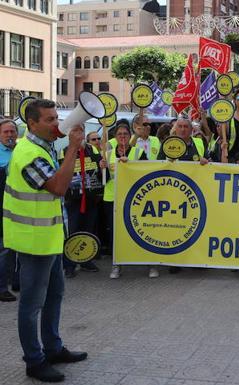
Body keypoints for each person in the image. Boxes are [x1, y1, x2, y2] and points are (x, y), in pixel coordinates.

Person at [3, 99, 87, 382]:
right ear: (32, 124)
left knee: (54, 296)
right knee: (31, 304)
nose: (56, 124)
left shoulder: (43, 146)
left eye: (56, 118)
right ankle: (34, 361)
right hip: (34, 242)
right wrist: (74, 147)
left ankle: (52, 348)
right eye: (50, 120)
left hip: (48, 239)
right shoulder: (28, 153)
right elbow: (59, 187)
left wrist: (68, 145)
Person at [58, 130, 108, 278]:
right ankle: (69, 265)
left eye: (81, 133)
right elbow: (61, 172)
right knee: (72, 232)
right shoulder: (65, 151)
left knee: (88, 230)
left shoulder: (92, 149)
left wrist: (102, 166)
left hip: (91, 199)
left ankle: (86, 260)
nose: (79, 137)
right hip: (73, 200)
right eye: (76, 133)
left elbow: (101, 171)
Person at [106, 123, 151, 279]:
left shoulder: (138, 152)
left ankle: (149, 263)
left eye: (125, 134)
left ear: (130, 135)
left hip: (135, 199)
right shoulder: (108, 154)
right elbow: (102, 179)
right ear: (115, 137)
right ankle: (116, 264)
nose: (123, 137)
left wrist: (131, 166)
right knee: (115, 233)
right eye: (119, 134)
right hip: (113, 199)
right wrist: (102, 168)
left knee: (142, 230)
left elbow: (147, 173)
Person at [0, 119, 18, 302]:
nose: (10, 135)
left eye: (12, 132)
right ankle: (2, 287)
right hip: (2, 207)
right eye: (6, 132)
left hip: (18, 207)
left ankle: (15, 281)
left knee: (14, 247)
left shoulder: (21, 151)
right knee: (4, 249)